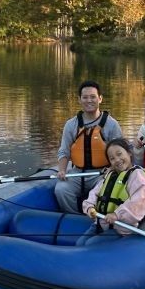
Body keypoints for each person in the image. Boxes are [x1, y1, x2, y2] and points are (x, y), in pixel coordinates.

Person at [55, 80, 123, 213]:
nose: (89, 100)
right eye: (85, 97)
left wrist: (112, 169)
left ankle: (97, 218)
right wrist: (62, 170)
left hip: (101, 174)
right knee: (61, 190)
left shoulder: (112, 125)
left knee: (104, 190)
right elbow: (64, 152)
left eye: (93, 97)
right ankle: (73, 218)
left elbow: (122, 154)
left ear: (100, 98)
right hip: (76, 173)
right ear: (79, 99)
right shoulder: (71, 124)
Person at [77, 138, 145, 245]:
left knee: (90, 244)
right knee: (80, 243)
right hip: (101, 223)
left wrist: (116, 214)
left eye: (119, 154)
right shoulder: (110, 175)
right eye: (112, 158)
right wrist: (89, 207)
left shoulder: (137, 176)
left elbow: (138, 202)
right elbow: (94, 193)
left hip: (121, 229)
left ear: (129, 153)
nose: (117, 160)